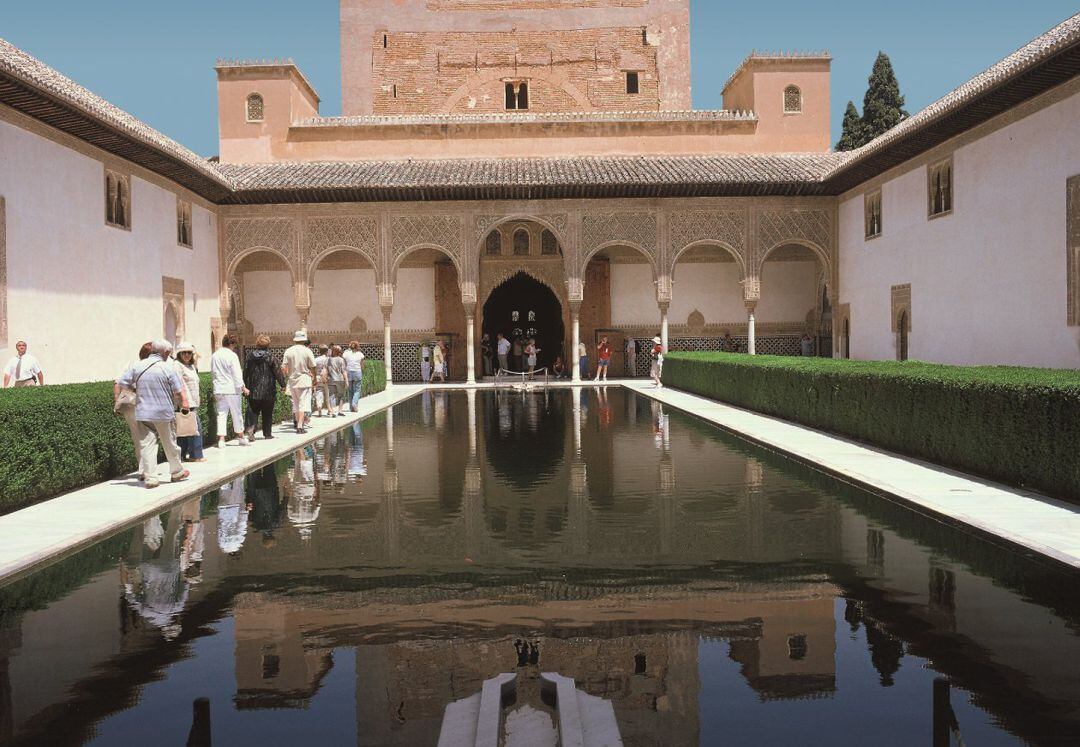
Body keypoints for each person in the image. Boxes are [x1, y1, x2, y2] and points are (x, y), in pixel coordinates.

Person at [117, 339, 191, 488]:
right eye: (168, 353)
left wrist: (137, 391)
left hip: (143, 411)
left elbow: (122, 383)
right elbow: (178, 390)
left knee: (147, 444)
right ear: (164, 352)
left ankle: (151, 478)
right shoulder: (167, 368)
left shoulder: (137, 366)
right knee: (169, 442)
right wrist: (184, 402)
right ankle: (176, 471)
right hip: (163, 412)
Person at [115, 342, 153, 479]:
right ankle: (146, 470)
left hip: (131, 406)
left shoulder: (131, 365)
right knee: (148, 438)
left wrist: (117, 401)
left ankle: (143, 469)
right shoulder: (150, 367)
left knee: (138, 438)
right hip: (142, 404)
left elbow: (118, 383)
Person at [243, 334, 284, 440]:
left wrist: (244, 386)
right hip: (268, 390)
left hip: (254, 389)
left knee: (253, 411)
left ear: (257, 343)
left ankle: (251, 430)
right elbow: (278, 372)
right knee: (267, 413)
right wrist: (283, 384)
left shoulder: (250, 356)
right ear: (268, 344)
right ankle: (267, 434)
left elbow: (245, 372)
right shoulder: (270, 357)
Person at [211, 335, 249, 447]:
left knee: (221, 414)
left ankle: (221, 439)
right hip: (232, 389)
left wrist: (215, 387)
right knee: (236, 413)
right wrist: (243, 387)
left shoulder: (215, 355)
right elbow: (236, 373)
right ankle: (241, 437)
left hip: (219, 388)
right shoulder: (232, 356)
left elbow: (213, 373)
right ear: (232, 344)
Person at [174, 342, 205, 462]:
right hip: (185, 403)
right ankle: (195, 455)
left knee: (185, 429)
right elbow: (178, 384)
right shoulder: (177, 365)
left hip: (192, 401)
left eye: (189, 353)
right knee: (194, 429)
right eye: (184, 353)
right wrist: (184, 401)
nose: (187, 355)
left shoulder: (191, 366)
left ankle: (182, 455)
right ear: (179, 354)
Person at [282, 330, 316, 434]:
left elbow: (283, 367)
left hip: (293, 380)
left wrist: (287, 375)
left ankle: (298, 423)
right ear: (304, 339)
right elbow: (313, 366)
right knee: (303, 403)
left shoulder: (288, 351)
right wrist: (314, 378)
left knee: (296, 404)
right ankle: (300, 426)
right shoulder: (307, 351)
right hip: (304, 379)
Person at [343, 340, 366, 411]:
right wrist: (362, 371)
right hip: (357, 372)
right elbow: (362, 365)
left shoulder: (346, 354)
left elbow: (344, 364)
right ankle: (354, 403)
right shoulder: (360, 354)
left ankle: (351, 407)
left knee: (350, 391)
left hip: (349, 372)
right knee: (357, 390)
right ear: (357, 346)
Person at [328, 345, 348, 416]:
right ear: (339, 352)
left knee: (331, 396)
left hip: (331, 379)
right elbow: (344, 371)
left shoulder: (329, 359)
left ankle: (332, 411)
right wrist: (346, 380)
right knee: (341, 395)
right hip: (340, 379)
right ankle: (340, 410)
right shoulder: (341, 359)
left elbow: (327, 370)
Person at [312, 345, 330, 416]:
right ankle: (329, 409)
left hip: (318, 377)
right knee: (328, 394)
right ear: (327, 351)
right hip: (327, 378)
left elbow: (313, 370)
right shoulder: (329, 359)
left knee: (319, 392)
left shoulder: (316, 360)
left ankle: (319, 407)